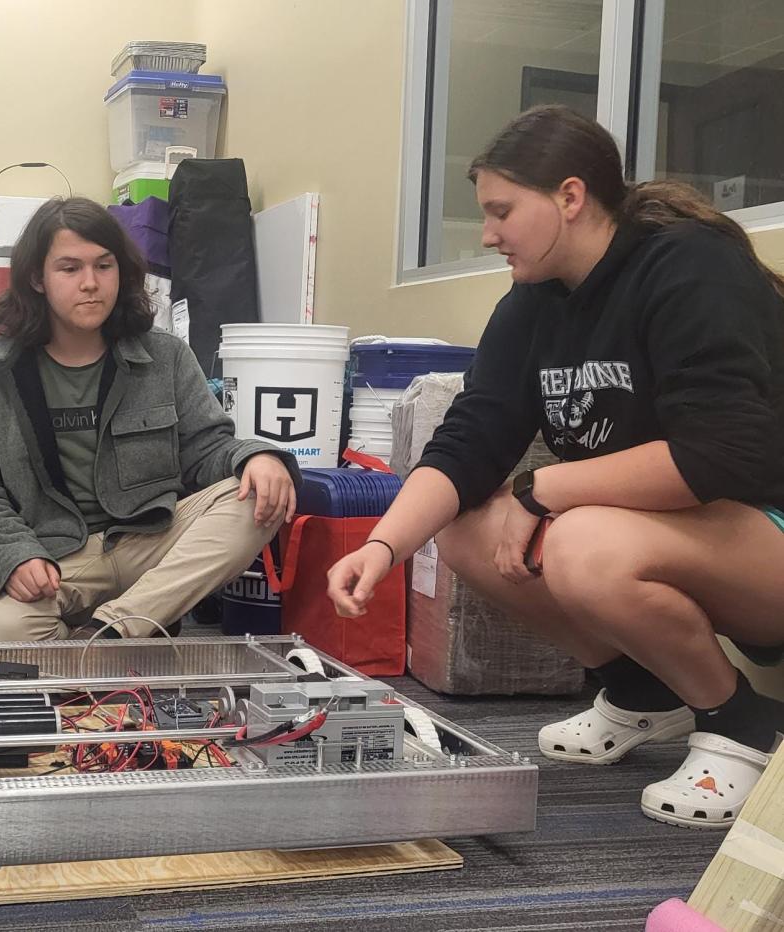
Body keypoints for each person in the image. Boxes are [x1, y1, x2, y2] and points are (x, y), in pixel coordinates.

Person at [327, 105, 784, 829]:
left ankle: (742, 723)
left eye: (502, 211)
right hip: (671, 538)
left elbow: (727, 449)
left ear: (570, 198)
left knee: (575, 538)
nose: (487, 234)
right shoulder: (535, 302)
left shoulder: (688, 263)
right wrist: (383, 546)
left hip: (766, 536)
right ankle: (641, 694)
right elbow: (470, 438)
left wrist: (548, 488)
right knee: (466, 532)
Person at [0, 196, 300, 641]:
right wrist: (14, 554)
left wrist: (255, 458)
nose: (90, 283)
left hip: (150, 540)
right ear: (37, 278)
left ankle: (112, 631)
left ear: (121, 272)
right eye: (70, 268)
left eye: (104, 266)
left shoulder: (166, 355)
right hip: (53, 555)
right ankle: (137, 632)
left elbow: (207, 449)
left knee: (255, 496)